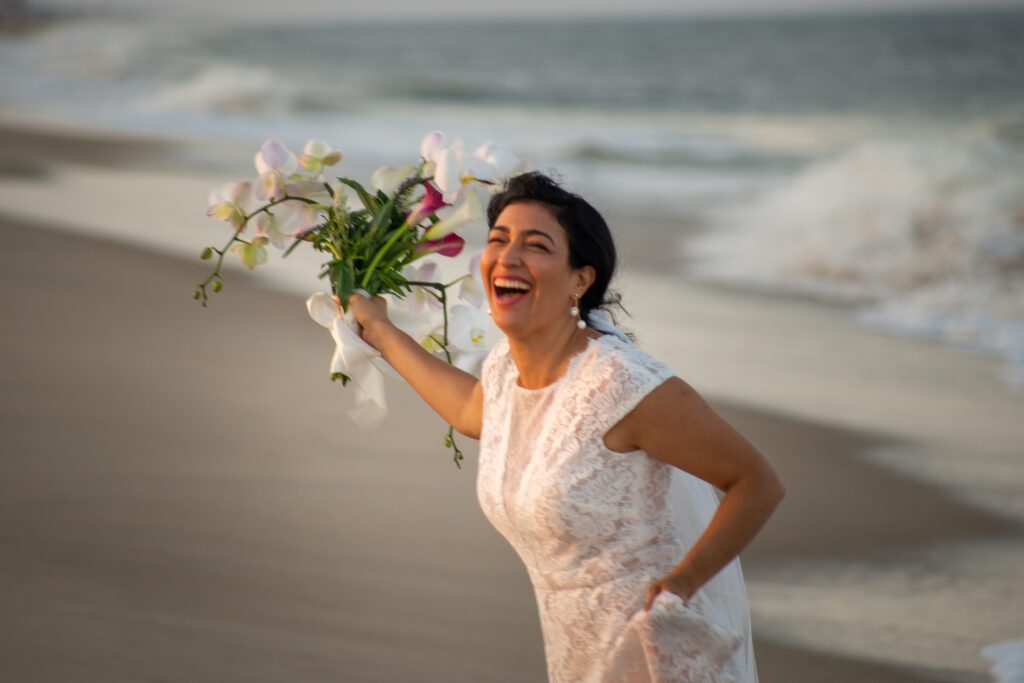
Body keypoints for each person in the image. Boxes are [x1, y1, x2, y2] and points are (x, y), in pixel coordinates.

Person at [348, 171, 785, 683]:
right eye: (498, 240)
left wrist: (683, 582)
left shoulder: (621, 385)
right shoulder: (506, 370)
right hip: (579, 657)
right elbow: (471, 411)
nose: (508, 258)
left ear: (581, 279)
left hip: (652, 653)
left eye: (536, 246)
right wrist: (380, 330)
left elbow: (758, 482)